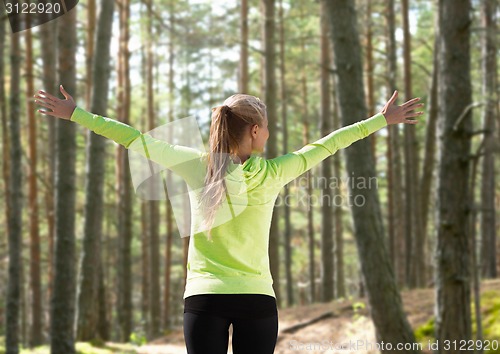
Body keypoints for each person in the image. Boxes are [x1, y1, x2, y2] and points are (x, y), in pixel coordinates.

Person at [34, 85, 423, 354]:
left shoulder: (196, 165)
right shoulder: (276, 172)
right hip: (257, 298)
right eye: (266, 128)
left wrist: (76, 114)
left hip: (203, 298)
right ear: (255, 131)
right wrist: (380, 120)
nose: (268, 135)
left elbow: (134, 139)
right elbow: (331, 143)